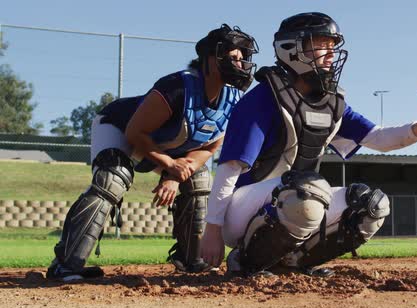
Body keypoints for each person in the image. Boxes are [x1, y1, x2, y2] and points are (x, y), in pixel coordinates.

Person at [200, 12, 417, 277]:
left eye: (332, 46)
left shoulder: (331, 103)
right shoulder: (262, 100)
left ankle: (292, 263)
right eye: (321, 45)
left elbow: (381, 139)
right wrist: (213, 228)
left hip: (296, 198)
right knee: (309, 190)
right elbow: (228, 170)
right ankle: (245, 262)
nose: (330, 53)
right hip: (239, 212)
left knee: (370, 206)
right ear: (290, 49)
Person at [46, 24, 258, 281]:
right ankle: (66, 264)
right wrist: (168, 163)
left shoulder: (233, 99)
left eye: (241, 58)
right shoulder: (177, 87)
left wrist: (173, 174)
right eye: (231, 57)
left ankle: (192, 260)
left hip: (170, 147)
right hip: (120, 128)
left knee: (200, 179)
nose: (239, 63)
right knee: (112, 179)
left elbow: (210, 148)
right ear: (209, 59)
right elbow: (135, 132)